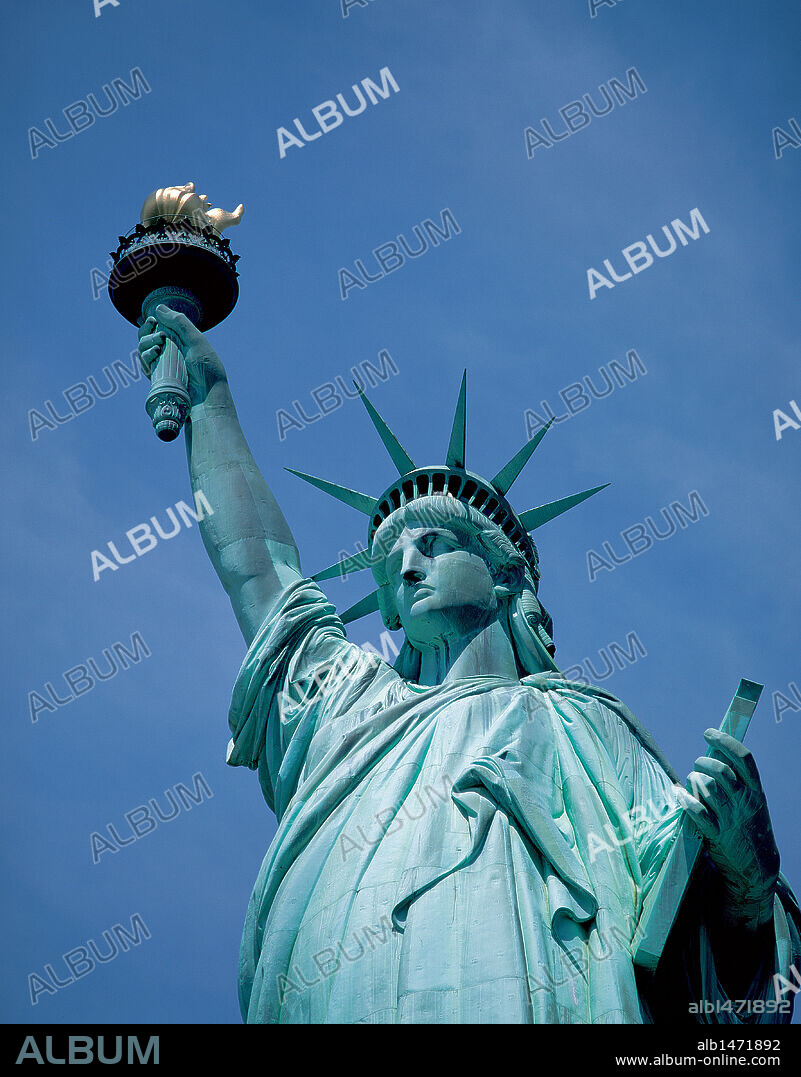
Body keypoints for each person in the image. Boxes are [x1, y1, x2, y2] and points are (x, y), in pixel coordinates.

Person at [138, 306, 801, 1025]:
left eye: (435, 543)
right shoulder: (349, 711)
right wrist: (210, 398)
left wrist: (744, 868)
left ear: (505, 576)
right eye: (392, 568)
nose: (408, 565)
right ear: (387, 612)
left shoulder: (587, 725)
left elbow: (698, 948)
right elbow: (260, 568)